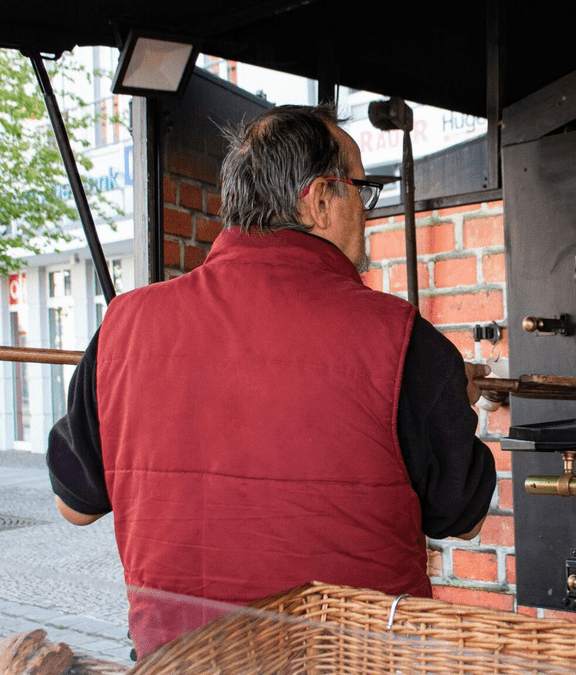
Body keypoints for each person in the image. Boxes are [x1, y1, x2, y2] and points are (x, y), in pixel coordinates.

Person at [46, 104, 496, 658]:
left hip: (179, 665)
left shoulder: (123, 327)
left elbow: (76, 506)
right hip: (352, 665)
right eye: (361, 190)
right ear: (319, 199)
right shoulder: (403, 341)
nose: (366, 211)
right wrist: (452, 401)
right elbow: (465, 520)